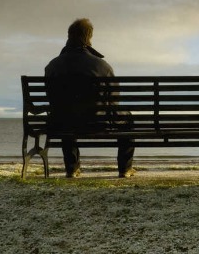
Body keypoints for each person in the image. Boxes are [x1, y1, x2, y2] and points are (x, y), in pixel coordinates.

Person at [45, 18, 134, 178]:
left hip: (63, 122)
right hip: (97, 122)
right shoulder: (102, 66)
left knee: (65, 115)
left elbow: (52, 99)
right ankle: (125, 169)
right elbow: (114, 100)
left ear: (69, 36)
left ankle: (72, 169)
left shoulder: (52, 66)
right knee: (127, 118)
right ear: (89, 37)